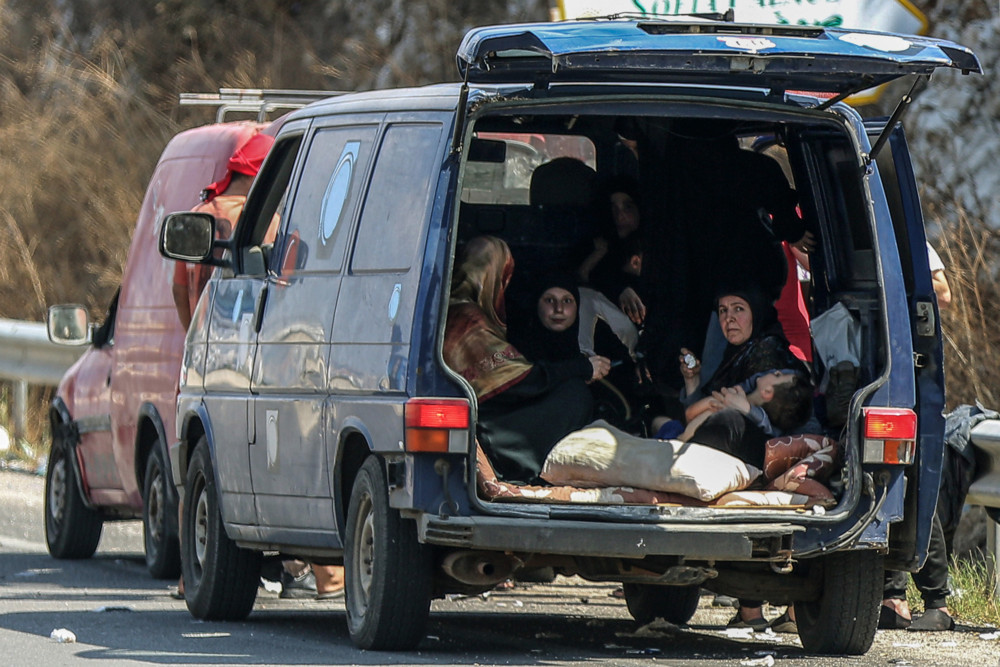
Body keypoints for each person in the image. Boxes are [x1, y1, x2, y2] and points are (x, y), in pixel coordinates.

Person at [678, 286, 810, 632]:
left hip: (773, 459)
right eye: (722, 311)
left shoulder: (770, 356)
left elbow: (792, 420)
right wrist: (694, 382)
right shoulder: (736, 359)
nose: (729, 319)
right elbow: (697, 409)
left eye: (739, 309)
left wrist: (745, 410)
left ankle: (770, 611)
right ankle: (752, 611)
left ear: (757, 313)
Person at [444, 236, 610, 483]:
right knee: (574, 395)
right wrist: (580, 369)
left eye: (567, 301)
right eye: (503, 277)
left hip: (488, 417)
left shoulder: (456, 311)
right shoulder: (468, 319)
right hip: (491, 428)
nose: (558, 309)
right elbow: (519, 382)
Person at [879, 241, 955, 632]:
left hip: (911, 371)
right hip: (875, 368)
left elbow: (942, 293)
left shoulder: (911, 244)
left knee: (913, 487)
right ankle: (893, 597)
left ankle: (936, 600)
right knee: (887, 484)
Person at [172, 132, 275, 330]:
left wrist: (193, 335)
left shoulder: (196, 216)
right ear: (260, 176)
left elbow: (179, 289)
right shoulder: (266, 220)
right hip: (244, 339)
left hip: (206, 341)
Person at [576, 177, 647, 325]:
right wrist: (620, 289)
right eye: (613, 208)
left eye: (628, 207)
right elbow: (585, 278)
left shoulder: (660, 246)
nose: (620, 216)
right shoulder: (599, 245)